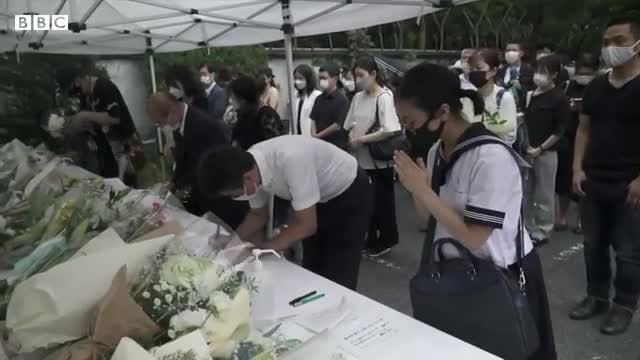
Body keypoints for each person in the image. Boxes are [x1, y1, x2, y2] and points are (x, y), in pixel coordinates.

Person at [393, 62, 556, 360]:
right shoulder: (435, 152)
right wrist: (417, 190)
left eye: (412, 123)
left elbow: (475, 237)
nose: (408, 131)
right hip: (457, 274)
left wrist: (423, 191)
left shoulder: (490, 156)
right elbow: (428, 221)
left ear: (443, 112)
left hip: (499, 278)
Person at [197, 135, 373, 290]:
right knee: (313, 263)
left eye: (234, 194)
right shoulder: (250, 167)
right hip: (317, 197)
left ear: (247, 178)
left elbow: (306, 225)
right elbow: (258, 215)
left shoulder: (291, 159)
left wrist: (259, 251)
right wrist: (232, 241)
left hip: (349, 190)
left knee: (339, 268)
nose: (235, 198)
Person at [570, 17, 640, 335]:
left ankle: (624, 305)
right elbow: (584, 129)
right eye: (607, 41)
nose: (612, 47)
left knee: (628, 251)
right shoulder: (597, 85)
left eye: (620, 40)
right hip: (593, 179)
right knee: (592, 245)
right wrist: (576, 168)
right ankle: (596, 296)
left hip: (630, 183)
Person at [344, 56, 401, 257]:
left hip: (379, 160)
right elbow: (348, 123)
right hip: (360, 159)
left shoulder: (384, 96)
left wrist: (362, 140)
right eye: (355, 75)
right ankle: (370, 239)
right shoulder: (357, 97)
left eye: (362, 75)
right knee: (365, 202)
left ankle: (385, 240)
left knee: (382, 203)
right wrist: (351, 136)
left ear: (374, 74)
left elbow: (389, 129)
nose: (358, 79)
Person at [146, 91, 228, 217]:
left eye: (160, 123)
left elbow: (202, 167)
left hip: (214, 192)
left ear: (172, 111)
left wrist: (177, 189)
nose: (161, 127)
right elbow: (182, 159)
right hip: (195, 188)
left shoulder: (203, 125)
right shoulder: (179, 122)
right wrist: (173, 183)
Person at [60, 67, 141, 185]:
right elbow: (92, 120)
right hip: (106, 148)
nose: (80, 93)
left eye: (78, 88)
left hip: (124, 142)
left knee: (129, 180)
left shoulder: (104, 87)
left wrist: (84, 116)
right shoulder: (86, 95)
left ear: (81, 78)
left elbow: (114, 117)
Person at [524, 55, 571, 246]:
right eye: (537, 71)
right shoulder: (530, 94)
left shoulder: (559, 98)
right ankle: (526, 228)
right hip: (527, 150)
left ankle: (542, 231)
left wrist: (541, 148)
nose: (538, 76)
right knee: (525, 192)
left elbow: (560, 130)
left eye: (543, 72)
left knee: (544, 193)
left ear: (554, 75)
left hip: (546, 152)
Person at [555, 53, 598, 233]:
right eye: (582, 71)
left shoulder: (598, 88)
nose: (584, 75)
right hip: (566, 141)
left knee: (583, 183)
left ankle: (581, 220)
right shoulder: (567, 87)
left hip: (589, 143)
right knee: (563, 182)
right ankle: (562, 218)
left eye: (588, 72)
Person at [468, 48, 518, 144]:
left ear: (493, 71)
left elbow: (510, 136)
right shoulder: (468, 97)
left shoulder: (504, 97)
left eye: (479, 68)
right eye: (471, 68)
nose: (474, 72)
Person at [229, 75, 285, 150]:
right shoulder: (242, 115)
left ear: (243, 100)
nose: (230, 100)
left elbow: (275, 145)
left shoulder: (266, 115)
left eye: (233, 97)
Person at [310, 63, 350, 149]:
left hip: (335, 147)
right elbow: (313, 118)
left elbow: (337, 125)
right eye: (320, 78)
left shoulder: (342, 100)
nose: (321, 81)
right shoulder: (319, 99)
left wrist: (318, 136)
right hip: (319, 145)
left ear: (335, 79)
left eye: (324, 78)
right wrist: (313, 134)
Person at [499, 42, 535, 110]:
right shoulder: (500, 71)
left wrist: (520, 88)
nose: (510, 53)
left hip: (522, 110)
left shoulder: (530, 71)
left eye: (514, 50)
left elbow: (533, 92)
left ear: (521, 53)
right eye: (508, 50)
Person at [291, 64, 322, 136]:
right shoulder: (295, 95)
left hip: (310, 136)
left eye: (300, 78)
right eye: (295, 78)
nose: (297, 81)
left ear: (308, 79)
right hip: (296, 135)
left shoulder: (317, 95)